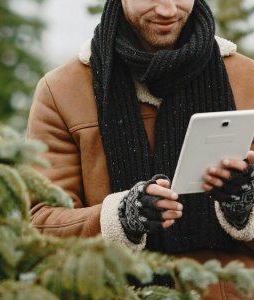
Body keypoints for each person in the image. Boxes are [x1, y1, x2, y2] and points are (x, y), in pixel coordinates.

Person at [27, 0, 254, 298]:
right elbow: (39, 227)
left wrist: (243, 207)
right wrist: (121, 218)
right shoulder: (61, 91)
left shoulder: (247, 79)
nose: (168, 10)